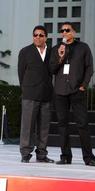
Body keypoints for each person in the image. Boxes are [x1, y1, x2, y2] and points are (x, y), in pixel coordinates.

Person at [49, 22, 95, 166]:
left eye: (67, 30)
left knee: (82, 124)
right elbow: (52, 69)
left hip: (77, 90)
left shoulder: (83, 47)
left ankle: (88, 158)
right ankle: (65, 156)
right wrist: (60, 57)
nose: (64, 32)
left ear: (74, 32)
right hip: (60, 91)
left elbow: (89, 67)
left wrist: (84, 85)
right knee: (62, 124)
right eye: (62, 30)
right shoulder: (56, 49)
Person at [18, 25, 54, 163]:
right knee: (27, 126)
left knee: (44, 127)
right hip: (30, 94)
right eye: (35, 35)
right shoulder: (25, 51)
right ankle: (25, 153)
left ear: (46, 37)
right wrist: (26, 89)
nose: (37, 37)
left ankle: (42, 154)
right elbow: (21, 73)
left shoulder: (51, 52)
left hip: (46, 94)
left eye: (41, 35)